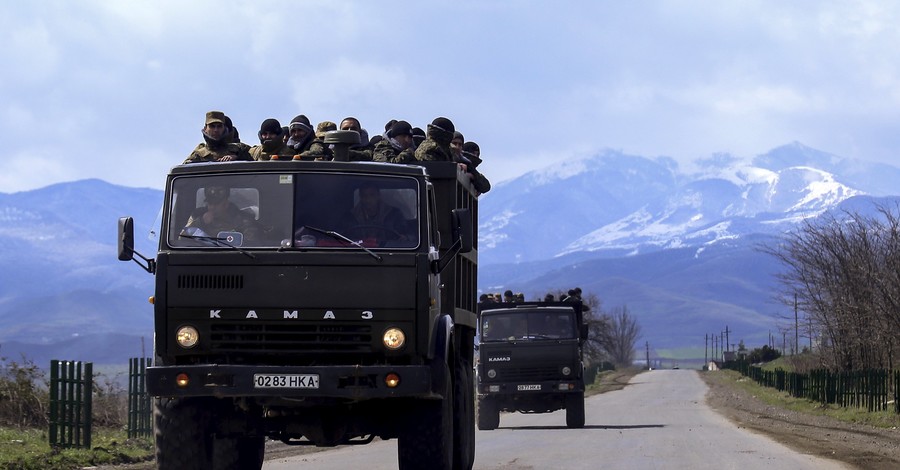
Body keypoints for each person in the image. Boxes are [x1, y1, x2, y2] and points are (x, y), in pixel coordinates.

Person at [183, 186, 260, 241]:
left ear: (226, 204)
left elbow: (251, 244)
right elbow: (182, 238)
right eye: (210, 203)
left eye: (216, 204)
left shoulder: (244, 220)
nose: (212, 207)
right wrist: (201, 222)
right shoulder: (197, 215)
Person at [340, 182, 408, 242]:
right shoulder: (350, 217)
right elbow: (340, 237)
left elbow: (407, 235)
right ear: (360, 197)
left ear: (378, 195)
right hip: (357, 253)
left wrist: (404, 238)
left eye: (372, 195)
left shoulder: (394, 214)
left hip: (387, 252)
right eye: (364, 196)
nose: (368, 200)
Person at [184, 111, 253, 163]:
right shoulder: (198, 155)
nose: (216, 130)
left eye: (219, 126)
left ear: (224, 129)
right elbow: (182, 175)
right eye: (212, 126)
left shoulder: (239, 149)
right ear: (205, 129)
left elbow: (259, 157)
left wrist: (237, 158)